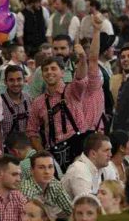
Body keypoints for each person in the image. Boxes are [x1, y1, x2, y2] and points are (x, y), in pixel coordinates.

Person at [27, 43, 89, 172]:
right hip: (54, 155)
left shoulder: (72, 90)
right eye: (46, 70)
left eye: (53, 69)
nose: (49, 72)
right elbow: (31, 131)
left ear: (62, 72)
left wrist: (83, 58)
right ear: (42, 74)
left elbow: (80, 78)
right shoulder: (38, 102)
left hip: (78, 149)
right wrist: (43, 154)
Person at [62, 133, 117, 199]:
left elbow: (115, 193)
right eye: (106, 150)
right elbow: (87, 204)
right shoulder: (79, 170)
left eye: (110, 150)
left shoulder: (104, 166)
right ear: (93, 154)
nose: (110, 154)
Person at [21, 151, 72, 219]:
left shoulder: (54, 183)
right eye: (41, 167)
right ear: (32, 170)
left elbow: (71, 211)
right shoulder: (27, 191)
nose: (47, 172)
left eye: (50, 167)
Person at [0, 155, 27, 221]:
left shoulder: (19, 197)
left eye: (19, 175)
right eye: (14, 174)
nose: (19, 179)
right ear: (0, 174)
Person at [0, 65, 31, 143]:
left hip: (28, 148)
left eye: (19, 79)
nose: (15, 83)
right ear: (5, 82)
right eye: (11, 80)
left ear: (24, 80)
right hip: (7, 150)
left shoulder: (28, 99)